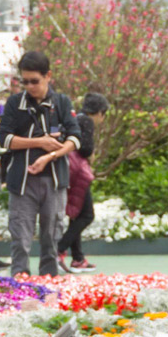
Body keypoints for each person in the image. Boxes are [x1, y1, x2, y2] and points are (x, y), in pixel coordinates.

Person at [0, 50, 80, 277]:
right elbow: (4, 139)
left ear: (48, 76)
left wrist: (49, 156)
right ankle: (20, 282)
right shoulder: (15, 103)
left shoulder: (61, 102)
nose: (30, 87)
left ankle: (49, 283)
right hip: (22, 182)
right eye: (25, 82)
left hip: (54, 181)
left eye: (35, 81)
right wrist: (39, 142)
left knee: (51, 237)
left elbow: (75, 138)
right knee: (20, 238)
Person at [59, 92, 109, 270]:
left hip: (68, 170)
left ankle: (78, 258)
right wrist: (92, 155)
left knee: (77, 214)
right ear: (99, 112)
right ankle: (59, 249)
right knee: (87, 214)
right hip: (78, 172)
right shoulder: (86, 121)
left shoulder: (74, 118)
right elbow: (85, 149)